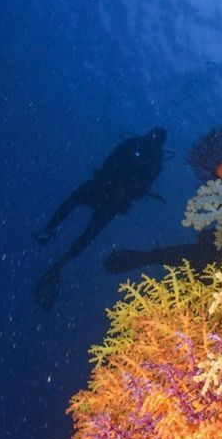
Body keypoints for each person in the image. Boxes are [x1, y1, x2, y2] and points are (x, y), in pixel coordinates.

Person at [32, 127, 167, 308]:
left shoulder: (143, 153)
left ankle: (54, 247)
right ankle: (56, 251)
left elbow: (114, 164)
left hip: (106, 190)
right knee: (87, 230)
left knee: (81, 218)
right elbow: (139, 188)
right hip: (110, 195)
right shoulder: (151, 158)